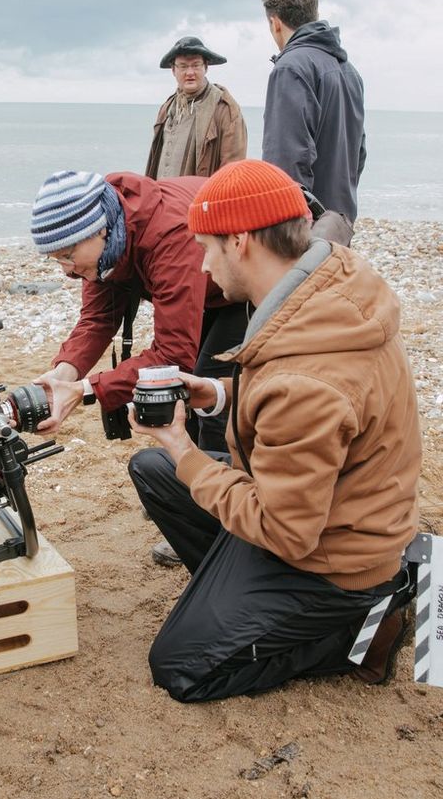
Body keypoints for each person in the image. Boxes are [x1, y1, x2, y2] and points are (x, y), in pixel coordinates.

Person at [128, 160, 420, 702]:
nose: (202, 266)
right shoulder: (323, 291)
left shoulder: (306, 377)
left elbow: (287, 529)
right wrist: (217, 395)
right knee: (152, 468)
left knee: (180, 667)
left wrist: (181, 445)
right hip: (323, 511)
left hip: (336, 559)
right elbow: (317, 411)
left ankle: (361, 629)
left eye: (207, 248)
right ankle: (242, 604)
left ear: (239, 242)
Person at [29, 170, 248, 459]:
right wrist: (62, 375)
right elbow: (98, 320)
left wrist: (85, 390)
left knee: (205, 384)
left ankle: (222, 487)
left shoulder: (169, 234)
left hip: (246, 284)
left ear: (99, 230)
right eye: (56, 259)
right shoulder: (110, 237)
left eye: (68, 255)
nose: (67, 270)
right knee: (188, 392)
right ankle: (192, 479)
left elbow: (172, 356)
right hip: (207, 288)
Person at [262, 0, 365, 223]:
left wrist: (285, 229)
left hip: (307, 227)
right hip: (340, 219)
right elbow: (358, 152)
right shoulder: (349, 70)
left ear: (275, 23)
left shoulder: (290, 68)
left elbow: (286, 161)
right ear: (313, 14)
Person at [145, 35, 247, 181]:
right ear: (173, 70)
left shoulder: (225, 109)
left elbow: (233, 173)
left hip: (200, 201)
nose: (190, 73)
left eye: (196, 65)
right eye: (183, 66)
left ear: (206, 67)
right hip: (163, 201)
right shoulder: (167, 109)